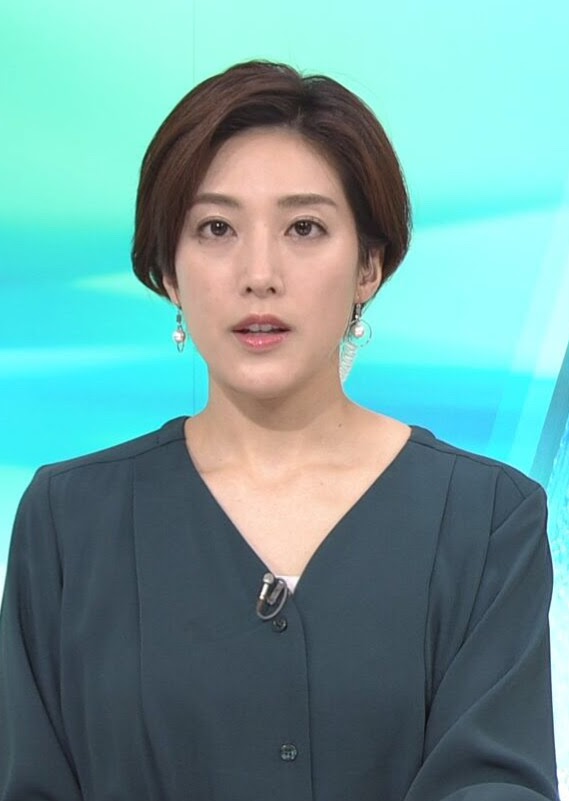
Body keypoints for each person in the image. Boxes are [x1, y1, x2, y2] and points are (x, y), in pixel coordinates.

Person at [0, 60, 559, 801]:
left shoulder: (487, 519)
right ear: (169, 272)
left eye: (304, 228)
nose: (258, 273)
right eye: (216, 228)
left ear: (369, 265)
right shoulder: (68, 520)